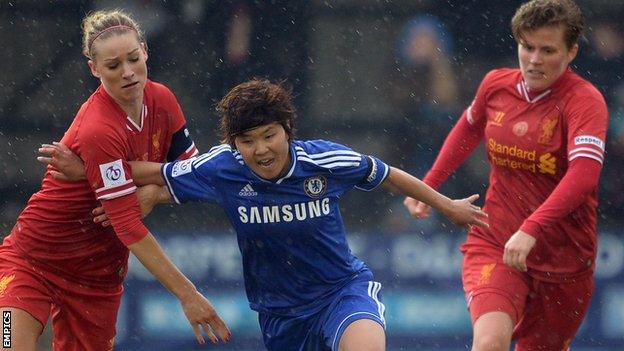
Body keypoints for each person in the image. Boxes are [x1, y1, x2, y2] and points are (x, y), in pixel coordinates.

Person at [41, 78, 489, 351]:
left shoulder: (324, 161)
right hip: (280, 312)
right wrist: (94, 173)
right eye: (248, 140)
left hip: (341, 291)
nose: (260, 149)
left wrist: (447, 206)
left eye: (269, 135)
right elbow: (157, 171)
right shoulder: (222, 168)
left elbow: (388, 174)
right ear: (234, 143)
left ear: (288, 131)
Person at [0, 9, 230, 351]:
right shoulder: (98, 128)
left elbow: (193, 176)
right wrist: (188, 294)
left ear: (145, 52)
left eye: (133, 59)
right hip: (33, 260)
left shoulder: (163, 100)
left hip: (98, 277)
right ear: (94, 69)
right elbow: (127, 225)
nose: (127, 73)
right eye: (112, 66)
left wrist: (149, 194)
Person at [403, 1, 608, 350]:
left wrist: (532, 227)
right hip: (495, 240)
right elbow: (468, 129)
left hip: (564, 259)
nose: (534, 59)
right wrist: (429, 185)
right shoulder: (496, 85)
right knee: (489, 343)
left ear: (572, 51)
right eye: (527, 47)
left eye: (548, 50)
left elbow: (584, 174)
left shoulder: (585, 102)